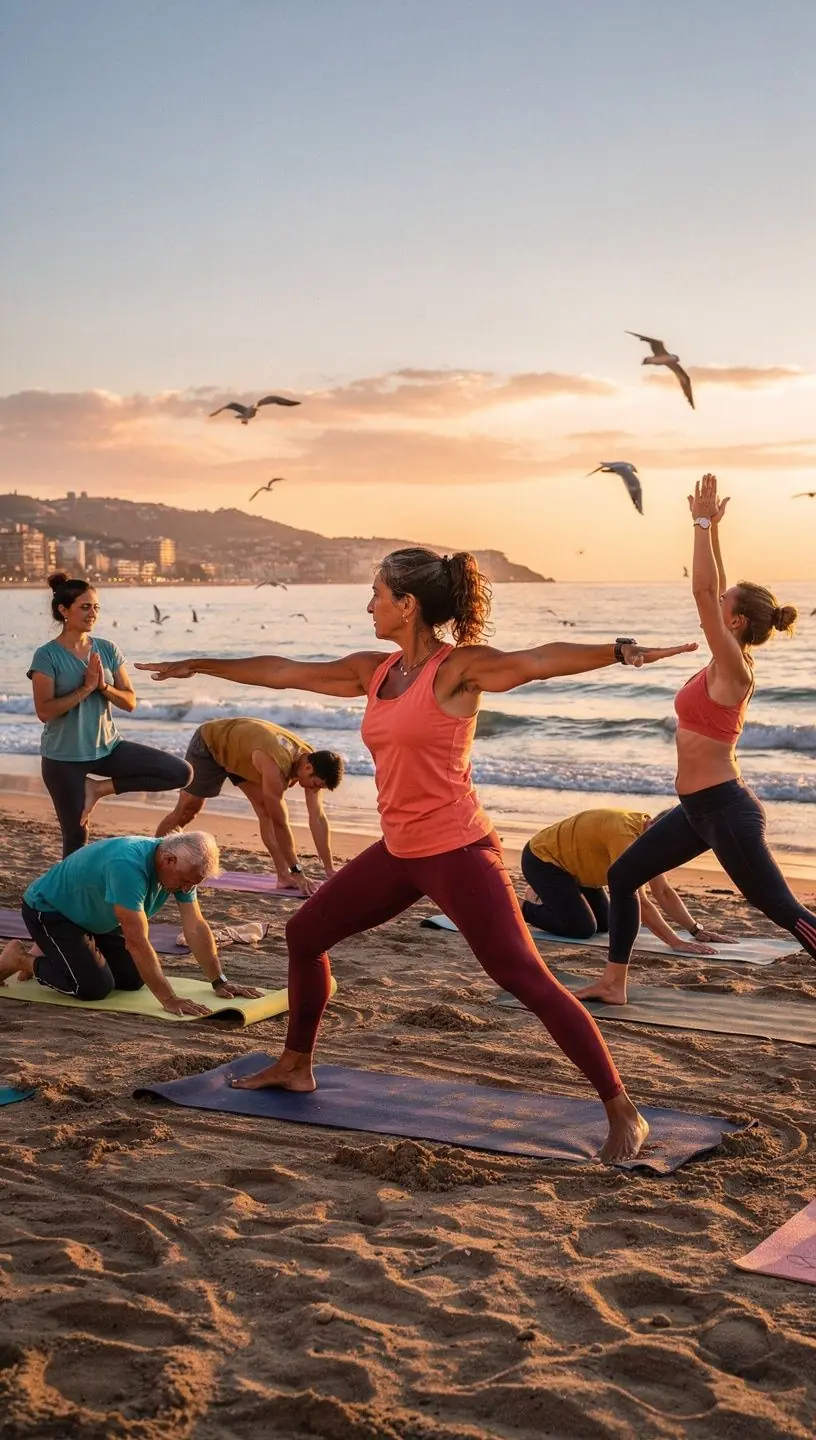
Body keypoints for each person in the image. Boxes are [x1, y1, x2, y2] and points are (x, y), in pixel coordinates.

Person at [138, 547, 696, 1162]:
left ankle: (622, 1108)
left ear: (407, 605)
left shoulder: (457, 670)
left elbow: (535, 661)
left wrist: (619, 650)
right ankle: (296, 1064)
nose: (369, 605)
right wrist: (200, 663)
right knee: (305, 935)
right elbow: (285, 670)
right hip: (399, 851)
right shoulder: (373, 672)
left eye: (377, 594)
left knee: (524, 976)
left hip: (458, 850)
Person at [577, 474, 816, 1006]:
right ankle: (614, 983)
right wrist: (715, 532)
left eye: (725, 604)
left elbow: (705, 591)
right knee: (624, 874)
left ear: (735, 620)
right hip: (696, 809)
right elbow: (717, 589)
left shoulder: (734, 667)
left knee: (784, 910)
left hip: (726, 811)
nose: (715, 603)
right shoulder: (722, 656)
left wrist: (701, 524)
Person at [0, 831, 261, 1014]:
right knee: (93, 987)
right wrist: (169, 999)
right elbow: (136, 941)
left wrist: (219, 981)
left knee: (133, 979)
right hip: (51, 911)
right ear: (169, 860)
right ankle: (20, 958)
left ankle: (50, 949)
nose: (186, 888)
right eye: (185, 882)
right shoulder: (128, 866)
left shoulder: (181, 867)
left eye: (192, 884)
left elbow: (195, 926)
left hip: (92, 916)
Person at [28, 574, 193, 856]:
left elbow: (129, 702)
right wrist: (85, 688)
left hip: (107, 747)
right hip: (63, 758)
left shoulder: (107, 649)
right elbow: (45, 711)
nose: (92, 613)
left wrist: (103, 687)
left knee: (180, 772)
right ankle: (70, 885)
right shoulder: (47, 656)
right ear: (63, 610)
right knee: (76, 837)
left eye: (96, 607)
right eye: (84, 607)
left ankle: (99, 789)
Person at [155, 717, 344, 895]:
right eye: (316, 784)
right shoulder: (276, 767)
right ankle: (153, 856)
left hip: (242, 756)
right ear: (308, 768)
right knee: (187, 811)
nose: (314, 789)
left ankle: (283, 876)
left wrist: (329, 869)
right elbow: (280, 824)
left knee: (266, 812)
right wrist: (298, 872)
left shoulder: (311, 760)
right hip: (211, 744)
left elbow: (317, 817)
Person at [521, 806, 733, 950]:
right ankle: (523, 906)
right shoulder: (626, 838)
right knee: (582, 928)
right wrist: (675, 942)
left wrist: (695, 930)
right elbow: (640, 901)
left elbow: (663, 891)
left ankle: (546, 894)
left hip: (578, 868)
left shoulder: (647, 834)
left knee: (605, 924)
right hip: (543, 860)